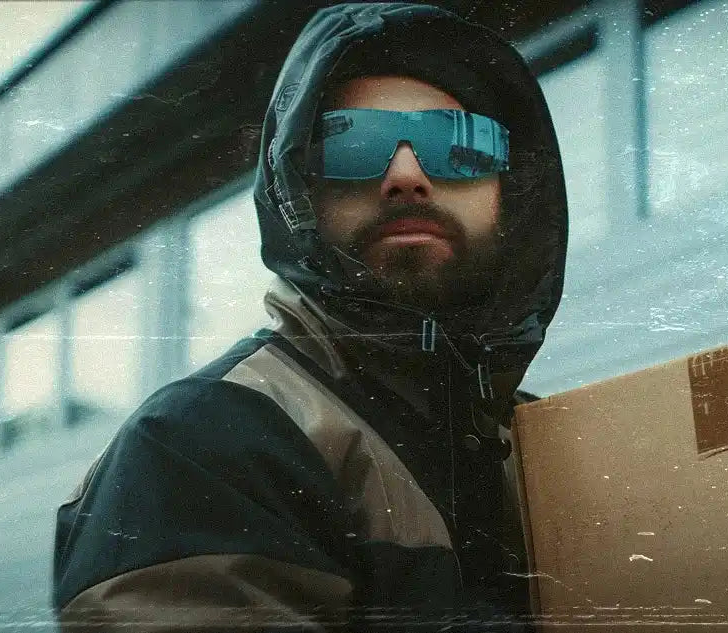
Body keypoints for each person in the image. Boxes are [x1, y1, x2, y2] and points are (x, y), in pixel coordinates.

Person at [52, 3, 567, 631]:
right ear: (297, 189)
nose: (406, 175)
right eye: (353, 142)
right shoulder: (200, 444)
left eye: (455, 145)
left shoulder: (554, 444)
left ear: (509, 192)